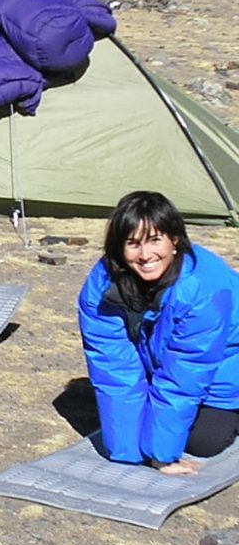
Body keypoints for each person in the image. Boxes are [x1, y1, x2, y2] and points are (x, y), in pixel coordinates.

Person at [78, 190, 239, 475]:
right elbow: (114, 369)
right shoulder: (101, 288)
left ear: (174, 240)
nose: (145, 255)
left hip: (224, 364)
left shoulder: (203, 287)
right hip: (163, 363)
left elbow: (185, 372)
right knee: (140, 431)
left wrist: (161, 456)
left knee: (203, 441)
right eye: (133, 244)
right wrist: (129, 453)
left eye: (155, 240)